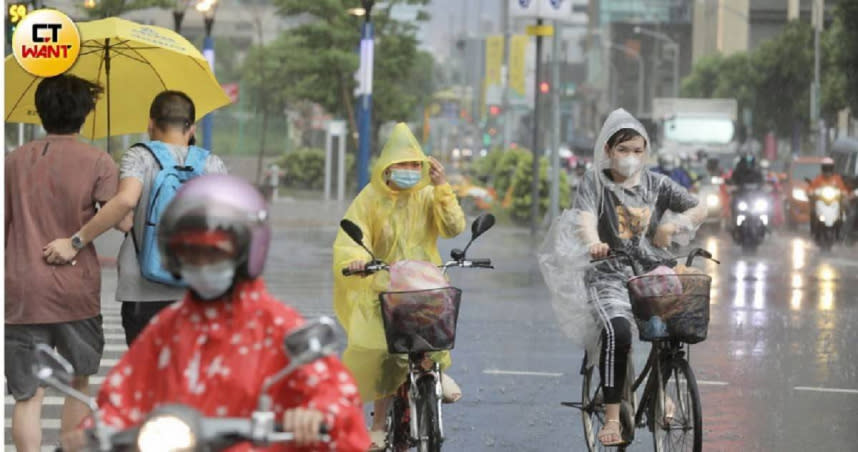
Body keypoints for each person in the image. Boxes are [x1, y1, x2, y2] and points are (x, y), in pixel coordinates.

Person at [61, 175, 370, 451]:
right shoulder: (167, 329)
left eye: (214, 253)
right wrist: (92, 433)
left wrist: (315, 414)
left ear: (245, 252)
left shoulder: (280, 328)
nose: (202, 263)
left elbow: (336, 397)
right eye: (191, 253)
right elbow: (121, 397)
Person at [538, 109, 706, 447]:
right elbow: (585, 218)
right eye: (623, 149)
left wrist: (675, 225)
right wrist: (594, 242)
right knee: (618, 330)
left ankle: (661, 389)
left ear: (646, 152)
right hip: (607, 275)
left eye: (637, 150)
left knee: (673, 328)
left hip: (650, 274)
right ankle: (613, 418)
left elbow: (700, 206)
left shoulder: (657, 183)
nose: (630, 157)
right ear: (608, 151)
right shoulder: (594, 182)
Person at [43, 91, 228, 346]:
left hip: (142, 289)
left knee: (146, 376)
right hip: (197, 290)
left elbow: (126, 201)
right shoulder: (212, 164)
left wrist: (75, 242)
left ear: (150, 123)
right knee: (187, 376)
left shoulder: (139, 156)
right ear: (192, 127)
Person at [332, 123, 466, 450]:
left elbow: (453, 228)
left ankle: (435, 369)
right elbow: (353, 238)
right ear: (386, 168)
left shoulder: (428, 194)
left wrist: (443, 188)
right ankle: (379, 423)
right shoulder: (370, 199)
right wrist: (356, 261)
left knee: (437, 321)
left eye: (413, 165)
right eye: (401, 165)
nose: (408, 171)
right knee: (383, 349)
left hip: (425, 281)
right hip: (385, 284)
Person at [5, 74, 117, 452]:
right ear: (85, 113)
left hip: (22, 293)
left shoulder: (12, 162)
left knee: (26, 395)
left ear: (40, 112)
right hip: (76, 292)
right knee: (78, 383)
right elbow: (122, 219)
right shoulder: (99, 161)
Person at [808, 158, 850, 236]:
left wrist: (844, 193)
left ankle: (841, 230)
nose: (827, 170)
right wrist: (810, 192)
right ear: (822, 168)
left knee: (844, 210)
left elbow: (843, 189)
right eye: (825, 168)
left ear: (832, 169)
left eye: (829, 168)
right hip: (821, 202)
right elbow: (811, 188)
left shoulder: (837, 179)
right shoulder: (818, 179)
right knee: (812, 210)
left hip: (834, 202)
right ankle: (813, 230)